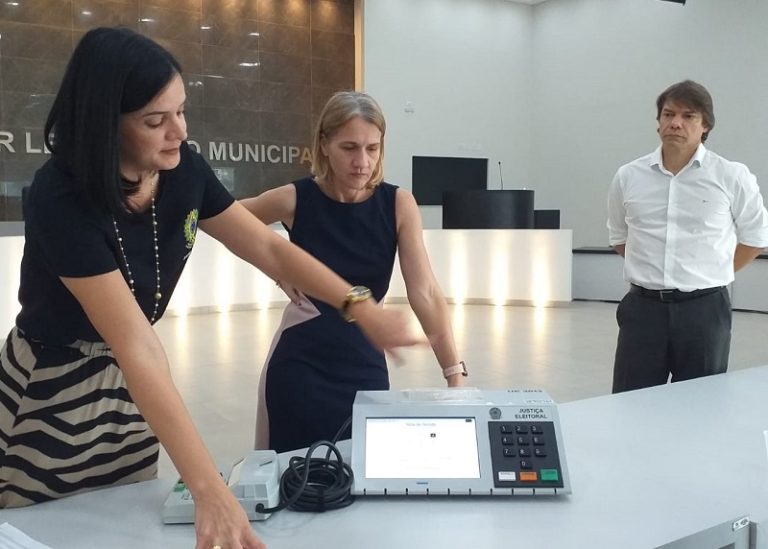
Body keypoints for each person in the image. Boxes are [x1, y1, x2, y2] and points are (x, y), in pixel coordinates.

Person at [0, 28, 423, 549]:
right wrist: (208, 489)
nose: (178, 130)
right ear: (105, 122)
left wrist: (358, 305)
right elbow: (136, 343)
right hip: (54, 383)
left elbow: (268, 247)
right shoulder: (60, 197)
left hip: (129, 387)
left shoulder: (183, 171)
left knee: (124, 522)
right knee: (44, 528)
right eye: (156, 120)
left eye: (181, 111)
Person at [241, 91, 466, 453]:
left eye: (372, 148)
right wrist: (276, 269)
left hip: (365, 363)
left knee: (364, 469)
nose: (362, 162)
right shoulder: (294, 198)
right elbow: (225, 219)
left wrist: (453, 371)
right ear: (324, 145)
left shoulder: (398, 204)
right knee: (294, 475)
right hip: (299, 366)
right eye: (349, 148)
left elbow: (424, 291)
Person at [606, 79, 768, 394]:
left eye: (688, 116)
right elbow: (620, 238)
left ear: (705, 125)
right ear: (658, 122)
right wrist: (655, 272)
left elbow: (755, 238)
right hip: (643, 310)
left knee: (700, 403)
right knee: (631, 402)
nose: (675, 123)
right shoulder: (629, 176)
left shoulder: (731, 175)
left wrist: (711, 272)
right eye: (668, 114)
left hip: (704, 310)